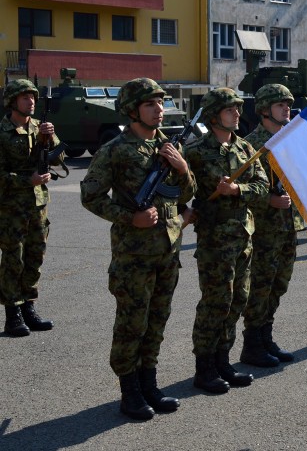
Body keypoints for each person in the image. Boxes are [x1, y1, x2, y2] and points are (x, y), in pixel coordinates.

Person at [80, 78, 195, 420]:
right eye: (150, 104)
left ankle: (149, 383)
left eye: (160, 103)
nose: (159, 109)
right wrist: (130, 218)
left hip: (167, 252)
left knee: (157, 321)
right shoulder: (115, 149)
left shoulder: (170, 147)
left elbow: (186, 193)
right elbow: (91, 196)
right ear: (132, 110)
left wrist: (183, 168)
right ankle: (129, 392)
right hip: (134, 256)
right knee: (132, 324)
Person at [184, 87, 269, 394]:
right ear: (213, 115)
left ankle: (223, 360)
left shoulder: (246, 149)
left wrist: (238, 191)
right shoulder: (194, 152)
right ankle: (204, 366)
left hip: (244, 238)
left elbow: (262, 188)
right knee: (215, 303)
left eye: (237, 108)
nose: (236, 113)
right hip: (215, 241)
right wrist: (186, 209)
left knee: (237, 301)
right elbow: (176, 188)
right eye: (229, 109)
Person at [240, 84, 304, 368]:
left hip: (287, 225)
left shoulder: (289, 140)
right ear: (265, 110)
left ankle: (266, 337)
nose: (287, 109)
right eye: (281, 105)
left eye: (288, 104)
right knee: (260, 287)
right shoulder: (251, 145)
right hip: (264, 228)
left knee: (278, 285)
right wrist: (268, 200)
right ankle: (252, 344)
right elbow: (241, 188)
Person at [0, 79, 63, 337]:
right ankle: (12, 314)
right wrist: (27, 180)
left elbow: (58, 158)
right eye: (26, 97)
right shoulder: (2, 131)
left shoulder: (39, 127)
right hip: (11, 207)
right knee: (13, 260)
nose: (31, 101)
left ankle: (29, 307)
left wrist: (49, 138)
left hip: (38, 205)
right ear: (13, 101)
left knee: (35, 257)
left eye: (33, 97)